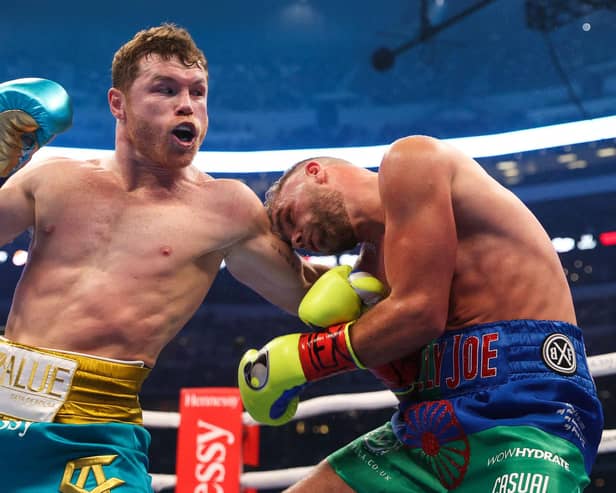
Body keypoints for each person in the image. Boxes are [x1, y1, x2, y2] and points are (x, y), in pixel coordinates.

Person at [0, 24, 323, 492]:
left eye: (198, 92)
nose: (187, 104)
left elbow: (312, 299)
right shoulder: (52, 178)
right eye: (165, 89)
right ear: (118, 104)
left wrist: (378, 240)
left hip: (93, 434)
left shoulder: (226, 207)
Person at [238, 136, 604, 492]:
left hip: (527, 412)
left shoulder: (410, 162)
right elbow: (410, 366)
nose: (298, 238)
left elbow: (420, 313)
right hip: (429, 426)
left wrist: (305, 358)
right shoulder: (370, 271)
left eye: (290, 217)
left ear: (316, 172)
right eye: (292, 241)